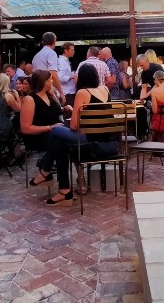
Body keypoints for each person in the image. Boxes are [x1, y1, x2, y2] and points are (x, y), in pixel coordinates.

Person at [29, 65, 116, 206]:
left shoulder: (83, 92)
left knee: (56, 131)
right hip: (111, 144)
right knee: (59, 143)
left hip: (92, 143)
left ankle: (45, 171)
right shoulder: (105, 89)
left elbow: (74, 126)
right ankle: (64, 192)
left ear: (81, 77)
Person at [20, 69, 65, 152]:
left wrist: (64, 109)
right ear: (44, 82)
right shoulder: (30, 99)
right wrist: (50, 128)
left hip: (55, 131)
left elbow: (52, 111)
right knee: (61, 142)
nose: (52, 81)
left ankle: (47, 163)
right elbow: (26, 128)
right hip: (38, 135)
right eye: (50, 79)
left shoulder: (49, 95)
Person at [140, 71, 164, 142]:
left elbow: (155, 111)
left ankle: (157, 148)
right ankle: (163, 145)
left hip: (160, 124)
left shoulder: (155, 91)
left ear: (156, 79)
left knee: (153, 119)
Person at [32, 32, 65, 105]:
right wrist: (61, 92)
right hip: (48, 89)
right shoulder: (51, 53)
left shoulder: (36, 56)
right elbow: (53, 73)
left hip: (37, 89)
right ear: (54, 41)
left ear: (43, 42)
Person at [58, 42, 77, 107]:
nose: (74, 52)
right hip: (66, 93)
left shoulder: (66, 61)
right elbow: (60, 78)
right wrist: (71, 77)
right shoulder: (61, 61)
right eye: (72, 50)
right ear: (65, 50)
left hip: (69, 92)